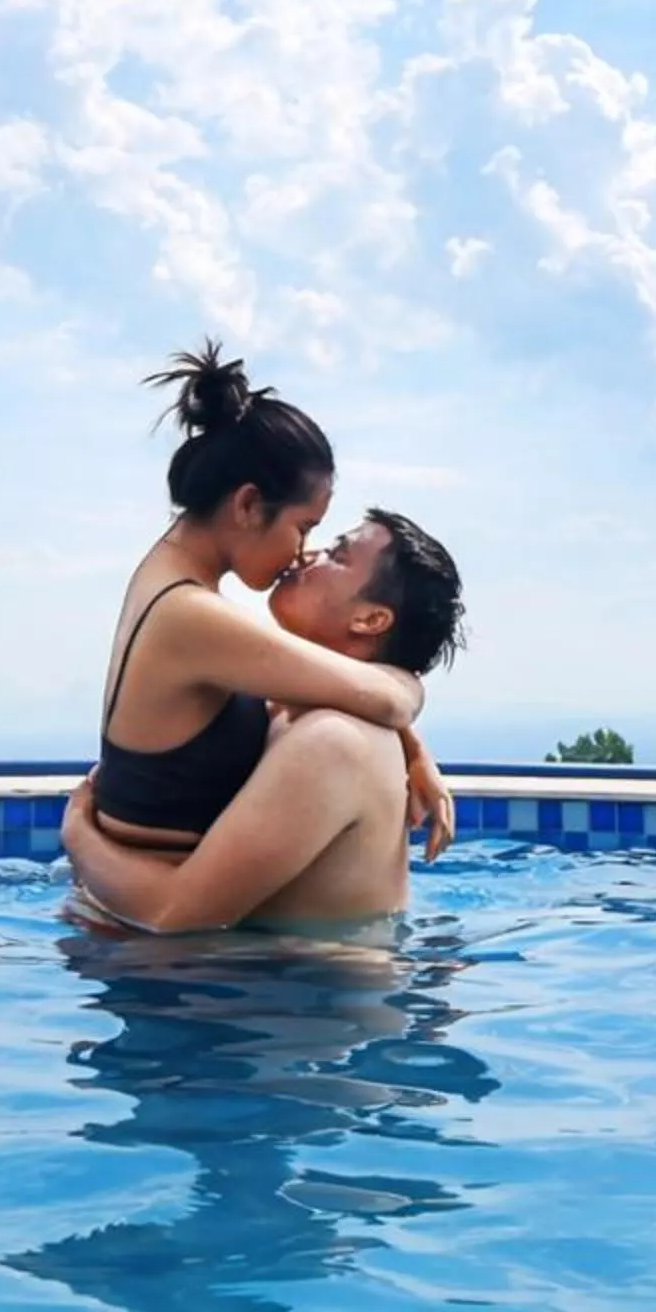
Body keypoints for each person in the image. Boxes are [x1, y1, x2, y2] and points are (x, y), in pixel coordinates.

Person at [96, 343, 456, 856]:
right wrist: (410, 689)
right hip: (146, 907)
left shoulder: (172, 586)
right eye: (303, 527)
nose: (303, 551)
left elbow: (306, 684)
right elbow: (387, 698)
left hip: (145, 900)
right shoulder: (190, 616)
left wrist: (413, 750)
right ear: (247, 505)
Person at [67, 503, 468, 932]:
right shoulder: (308, 713)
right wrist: (413, 744)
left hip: (290, 974)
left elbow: (170, 914)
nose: (307, 554)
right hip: (269, 969)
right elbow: (366, 693)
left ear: (369, 619)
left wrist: (78, 834)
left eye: (337, 555)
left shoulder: (333, 744)